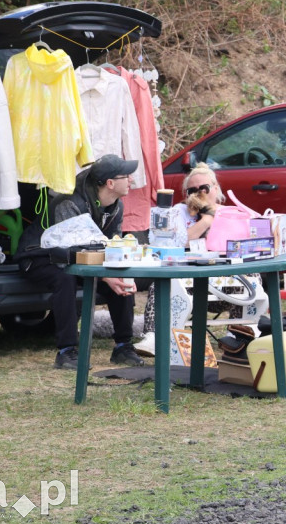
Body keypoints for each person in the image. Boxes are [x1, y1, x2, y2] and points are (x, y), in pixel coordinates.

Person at [17, 154, 146, 370]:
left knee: (119, 274)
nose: (131, 179)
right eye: (127, 176)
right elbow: (70, 251)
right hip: (40, 256)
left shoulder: (116, 205)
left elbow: (108, 246)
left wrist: (116, 272)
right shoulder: (69, 203)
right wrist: (104, 275)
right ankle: (67, 351)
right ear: (110, 183)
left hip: (77, 257)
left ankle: (123, 346)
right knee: (65, 277)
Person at [135, 163, 226, 354]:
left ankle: (241, 334)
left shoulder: (228, 214)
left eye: (204, 188)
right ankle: (153, 337)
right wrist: (206, 220)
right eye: (191, 190)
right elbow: (180, 242)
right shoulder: (178, 212)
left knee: (252, 278)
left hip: (221, 283)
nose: (198, 193)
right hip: (187, 282)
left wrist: (213, 216)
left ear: (215, 188)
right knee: (159, 285)